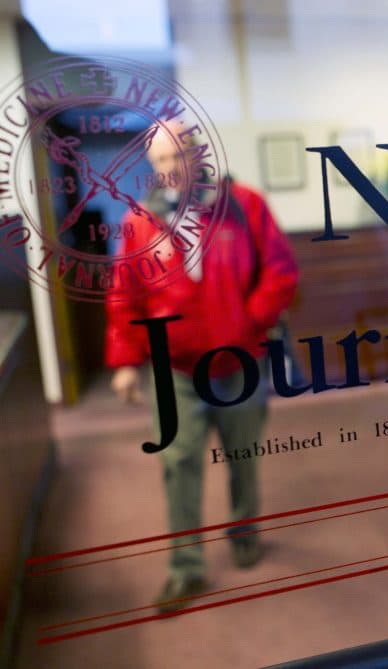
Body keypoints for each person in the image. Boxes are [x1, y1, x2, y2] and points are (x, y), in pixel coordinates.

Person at [104, 120, 299, 613]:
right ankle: (186, 568)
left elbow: (280, 272)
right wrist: (126, 361)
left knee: (242, 455)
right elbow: (125, 296)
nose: (169, 170)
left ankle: (244, 532)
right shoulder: (140, 221)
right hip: (174, 369)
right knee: (178, 462)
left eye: (177, 157)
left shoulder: (246, 206)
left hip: (240, 361)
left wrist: (248, 323)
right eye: (159, 162)